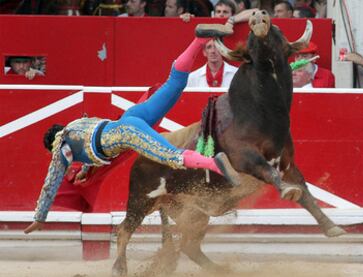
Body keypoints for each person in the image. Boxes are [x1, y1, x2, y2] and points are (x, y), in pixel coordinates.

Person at [24, 34, 241, 234]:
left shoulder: (62, 148)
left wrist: (40, 217)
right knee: (175, 82)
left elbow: (50, 183)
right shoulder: (77, 125)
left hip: (126, 133)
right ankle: (198, 39)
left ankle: (214, 163)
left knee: (171, 156)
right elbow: (92, 143)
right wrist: (87, 169)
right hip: (130, 117)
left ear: (53, 142)